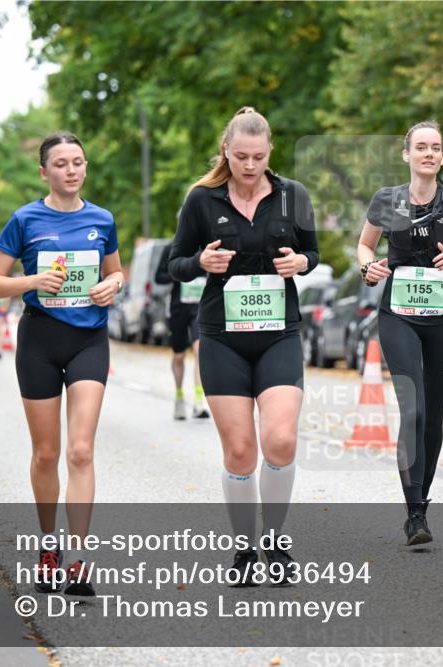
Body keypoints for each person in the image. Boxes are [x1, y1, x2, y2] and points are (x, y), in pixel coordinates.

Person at [169, 107, 318, 585]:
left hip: (278, 334)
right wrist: (200, 262)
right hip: (222, 338)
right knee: (239, 451)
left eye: (257, 156)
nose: (249, 165)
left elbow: (313, 253)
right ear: (225, 152)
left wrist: (301, 263)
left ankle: (274, 542)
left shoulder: (293, 195)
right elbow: (175, 263)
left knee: (281, 439)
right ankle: (244, 550)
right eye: (240, 157)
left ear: (270, 152)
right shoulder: (201, 199)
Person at [0, 131, 123, 598]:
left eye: (78, 162)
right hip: (39, 341)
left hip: (89, 340)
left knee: (81, 451)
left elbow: (115, 271)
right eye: (61, 164)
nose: (71, 170)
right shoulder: (25, 220)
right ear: (44, 172)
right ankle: (49, 546)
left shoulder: (102, 219)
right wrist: (33, 281)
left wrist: (114, 285)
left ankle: (78, 559)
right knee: (46, 453)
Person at [356, 120, 443, 546]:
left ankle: (422, 502)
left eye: (436, 148)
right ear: (406, 154)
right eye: (421, 147)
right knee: (412, 408)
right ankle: (414, 514)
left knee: (432, 416)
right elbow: (365, 245)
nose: (429, 153)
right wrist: (368, 267)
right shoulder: (387, 200)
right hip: (398, 315)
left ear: (442, 157)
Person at [155, 241, 209, 420]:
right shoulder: (171, 247)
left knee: (200, 350)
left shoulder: (207, 245)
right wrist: (179, 272)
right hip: (178, 308)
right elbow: (159, 277)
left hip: (199, 307)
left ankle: (199, 401)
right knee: (179, 356)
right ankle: (179, 397)